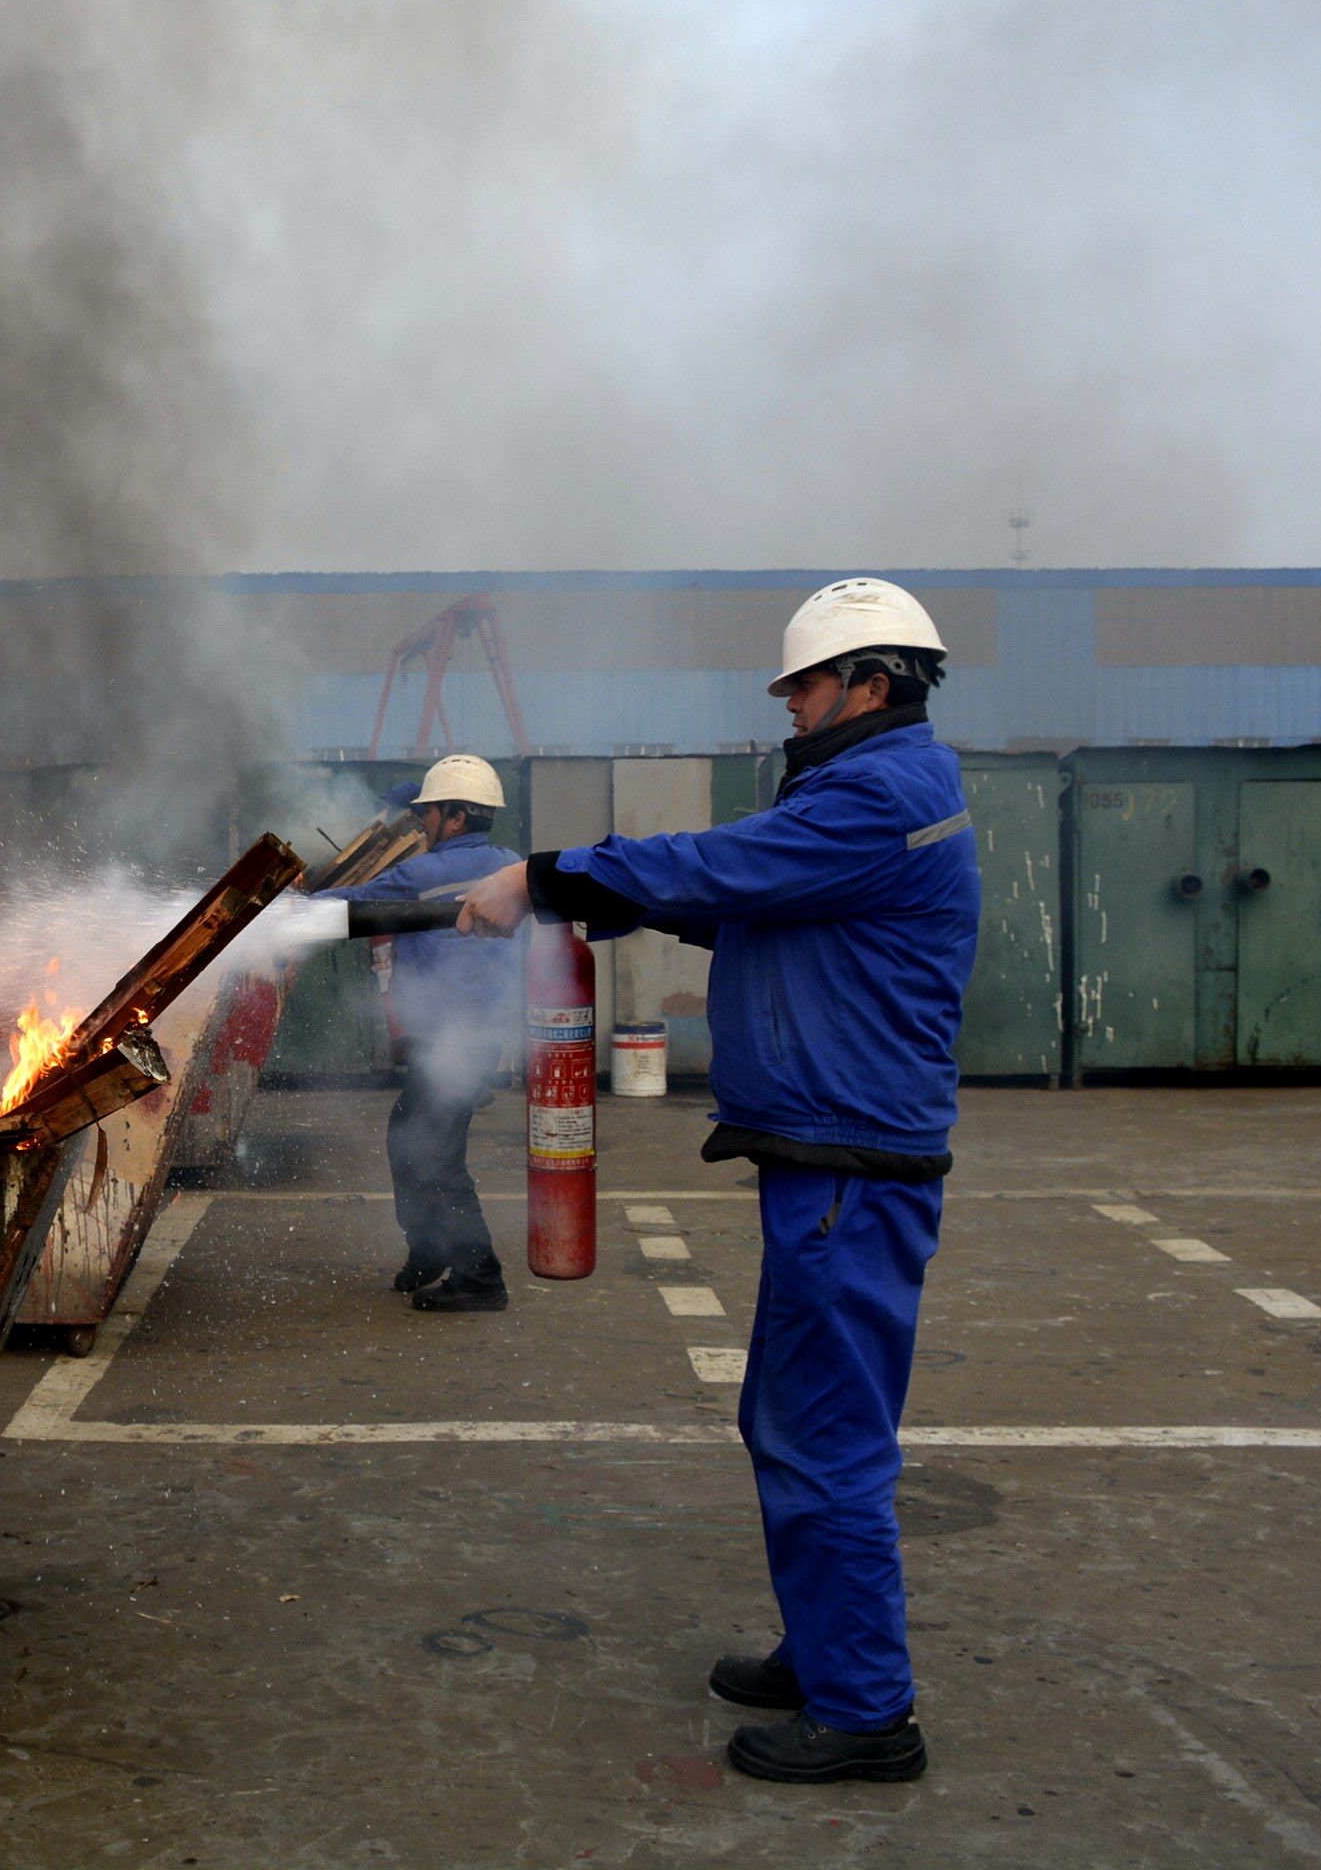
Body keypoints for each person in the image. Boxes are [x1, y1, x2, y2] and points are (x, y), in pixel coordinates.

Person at [456, 578, 981, 1785]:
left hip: (851, 1166)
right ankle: (826, 1645)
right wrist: (621, 904)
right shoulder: (876, 793)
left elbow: (731, 866)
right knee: (787, 1416)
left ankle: (865, 1711)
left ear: (871, 681)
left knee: (823, 1432)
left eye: (802, 684)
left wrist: (549, 877)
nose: (790, 706)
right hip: (829, 1158)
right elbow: (770, 906)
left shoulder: (876, 791)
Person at [338, 754, 523, 1313]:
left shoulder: (424, 874)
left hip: (450, 1043)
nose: (423, 825)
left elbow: (348, 905)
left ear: (458, 818)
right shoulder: (508, 865)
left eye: (432, 815)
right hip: (474, 1039)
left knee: (437, 1156)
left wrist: (278, 911)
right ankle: (429, 1250)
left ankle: (480, 1276)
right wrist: (411, 798)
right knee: (407, 1136)